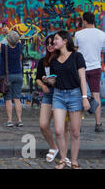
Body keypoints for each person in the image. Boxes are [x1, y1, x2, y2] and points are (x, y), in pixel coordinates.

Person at [49, 30, 90, 169]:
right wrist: (49, 81)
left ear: (65, 41)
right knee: (59, 130)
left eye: (56, 39)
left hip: (75, 95)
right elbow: (56, 80)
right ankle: (63, 159)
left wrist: (84, 98)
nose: (54, 41)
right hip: (58, 95)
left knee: (75, 131)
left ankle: (74, 160)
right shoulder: (53, 60)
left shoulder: (77, 56)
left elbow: (82, 79)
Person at [35, 34, 70, 163]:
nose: (50, 45)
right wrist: (42, 84)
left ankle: (64, 154)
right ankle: (53, 147)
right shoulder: (42, 61)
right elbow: (38, 77)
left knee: (63, 127)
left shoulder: (61, 58)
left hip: (61, 92)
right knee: (43, 124)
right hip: (48, 93)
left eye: (52, 43)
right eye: (48, 43)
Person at [74, 11, 105, 133]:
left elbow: (76, 51)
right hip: (96, 67)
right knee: (96, 95)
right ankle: (98, 124)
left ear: (85, 21)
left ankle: (78, 124)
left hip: (81, 68)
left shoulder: (78, 34)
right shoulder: (102, 34)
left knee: (81, 95)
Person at [0, 22, 24, 127]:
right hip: (18, 75)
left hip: (7, 77)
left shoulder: (4, 48)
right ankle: (19, 120)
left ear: (8, 40)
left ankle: (9, 121)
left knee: (8, 99)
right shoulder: (19, 46)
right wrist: (9, 32)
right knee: (17, 99)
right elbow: (17, 39)